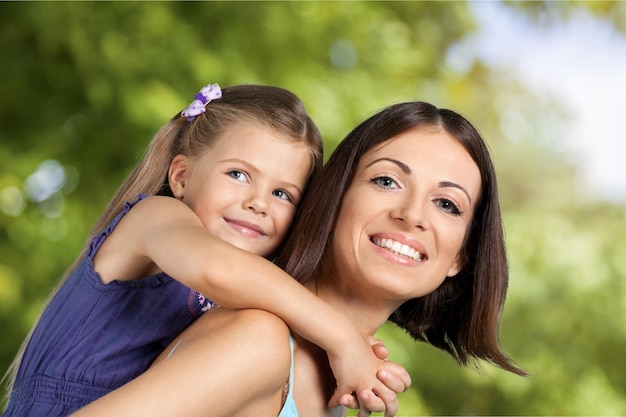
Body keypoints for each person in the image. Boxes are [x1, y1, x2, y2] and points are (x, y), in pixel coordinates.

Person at [71, 100, 526, 417]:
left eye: (447, 204)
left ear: (460, 256)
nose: (411, 215)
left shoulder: (342, 384)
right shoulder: (258, 340)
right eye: (386, 181)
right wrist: (343, 339)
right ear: (334, 197)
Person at [1, 83, 408, 417]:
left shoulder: (234, 304)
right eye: (238, 174)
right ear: (181, 176)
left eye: (283, 193)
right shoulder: (154, 218)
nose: (259, 202)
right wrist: (342, 338)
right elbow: (220, 271)